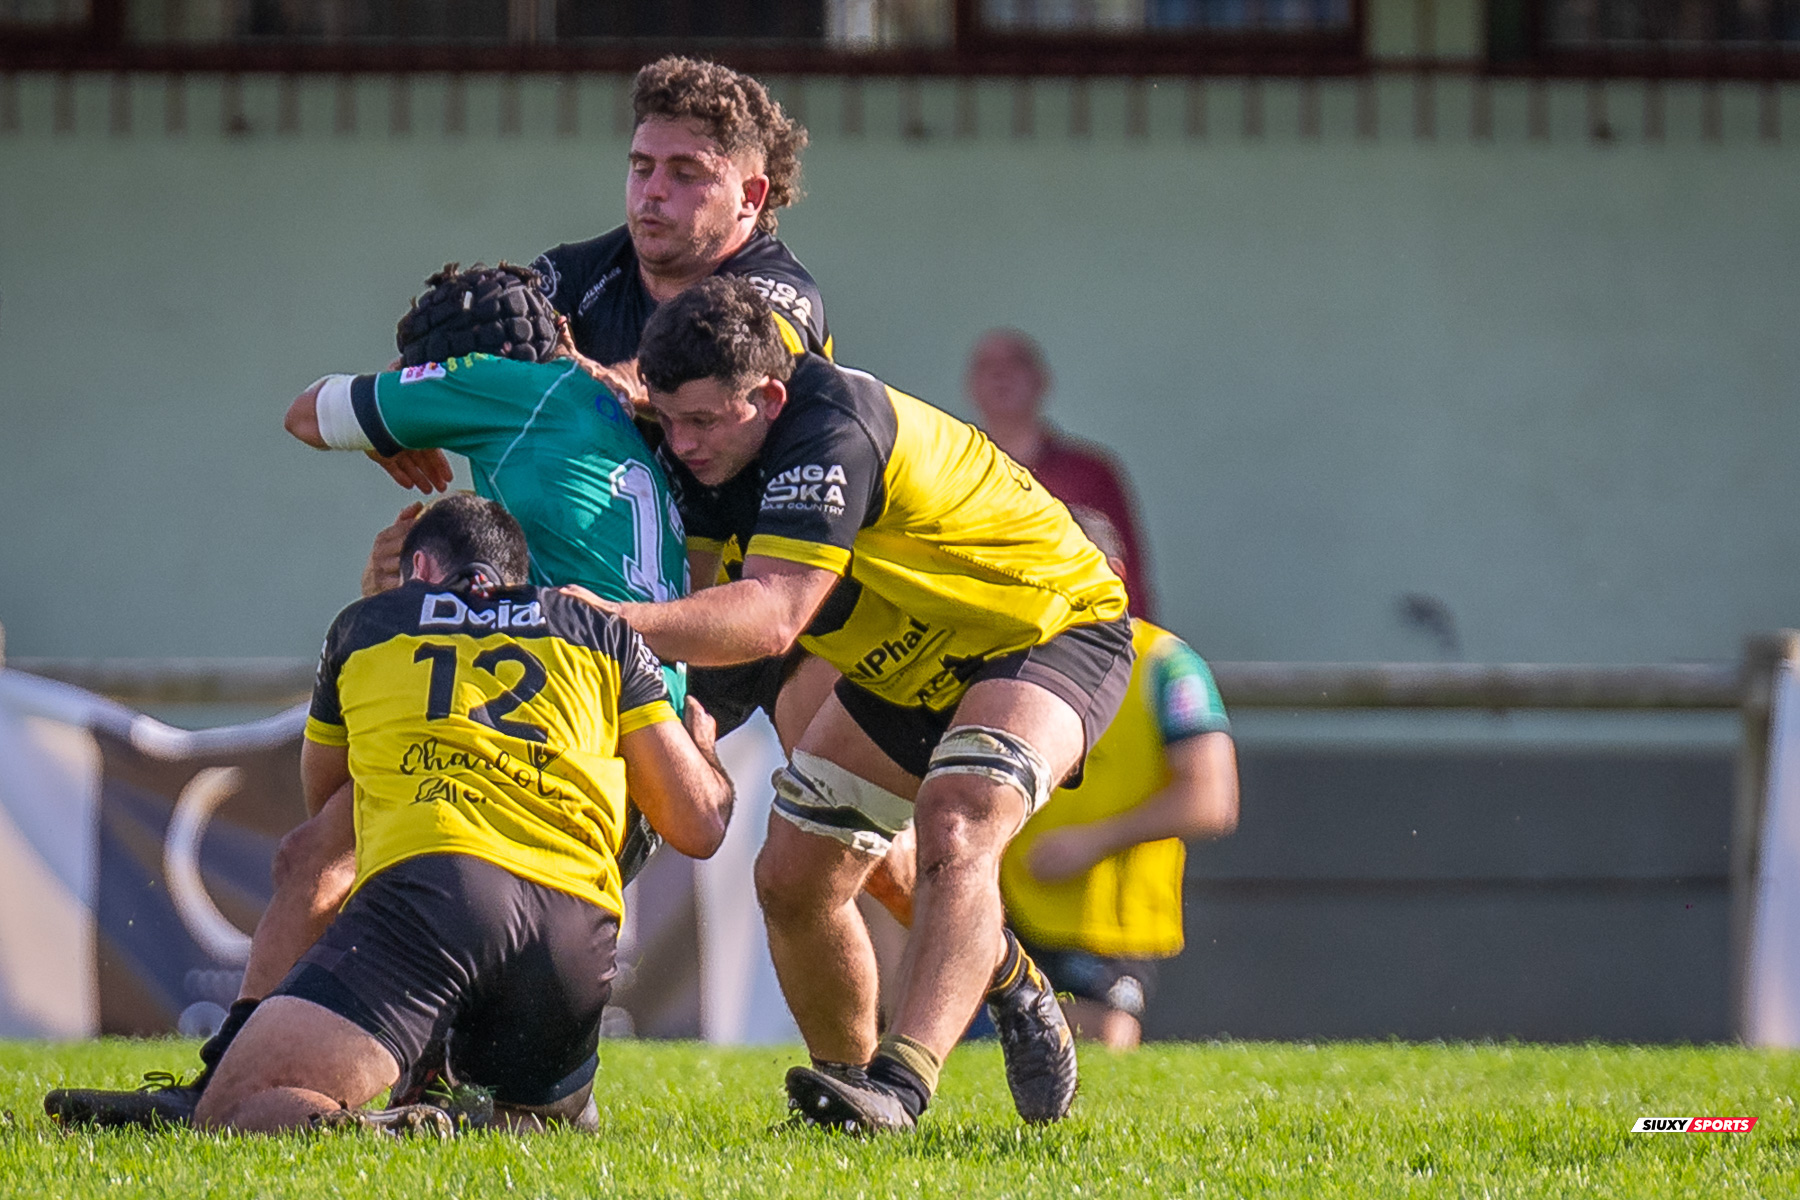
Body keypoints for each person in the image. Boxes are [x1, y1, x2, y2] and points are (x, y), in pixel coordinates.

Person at [46, 263, 690, 1130]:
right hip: (628, 737)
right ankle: (426, 1091)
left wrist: (392, 432)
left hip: (566, 728)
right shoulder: (611, 423)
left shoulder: (508, 388)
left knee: (337, 853)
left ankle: (238, 1080)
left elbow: (309, 411)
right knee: (321, 856)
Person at [563, 278, 1135, 1133]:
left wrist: (608, 625)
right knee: (792, 879)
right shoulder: (711, 445)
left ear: (770, 397)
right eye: (668, 420)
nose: (679, 446)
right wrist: (697, 720)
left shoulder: (834, 427)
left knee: (956, 821)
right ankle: (851, 1092)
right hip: (907, 656)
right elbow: (718, 620)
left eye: (703, 423)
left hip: (1046, 625)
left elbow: (772, 616)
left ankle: (901, 1090)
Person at [999, 514, 1239, 1051]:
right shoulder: (1008, 657)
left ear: (1116, 574)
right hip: (1007, 906)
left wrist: (1093, 841)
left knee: (1101, 1040)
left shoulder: (1168, 666)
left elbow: (1212, 799)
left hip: (1109, 924)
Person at [965, 328, 1156, 620]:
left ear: (1042, 381)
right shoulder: (957, 476)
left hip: (1080, 648)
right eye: (986, 366)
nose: (1000, 374)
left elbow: (1131, 580)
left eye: (1015, 362)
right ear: (971, 387)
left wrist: (1132, 648)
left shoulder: (1091, 473)